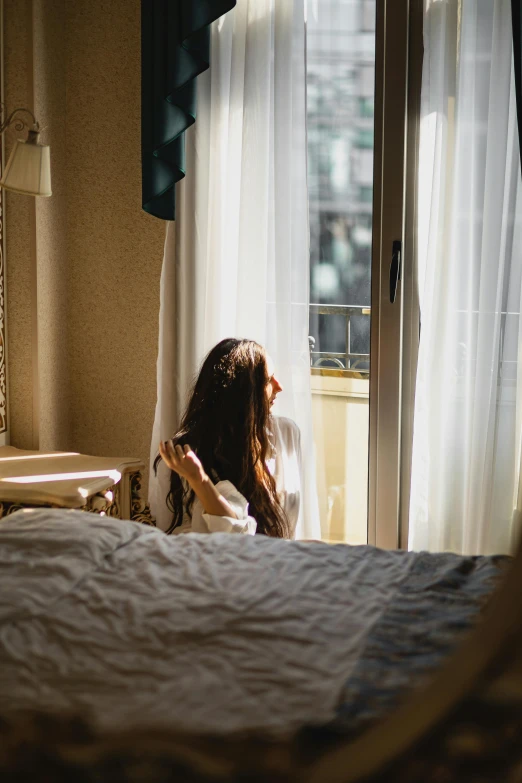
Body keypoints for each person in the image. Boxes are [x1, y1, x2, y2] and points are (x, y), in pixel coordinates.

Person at [156, 338, 302, 537]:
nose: (280, 386)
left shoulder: (287, 434)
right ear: (245, 394)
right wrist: (198, 479)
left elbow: (294, 525)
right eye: (269, 380)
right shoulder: (188, 455)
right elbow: (230, 536)